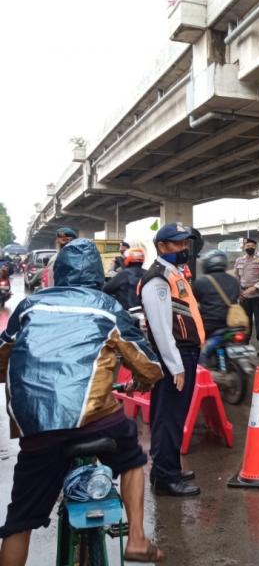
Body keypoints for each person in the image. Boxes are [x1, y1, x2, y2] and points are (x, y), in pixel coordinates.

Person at [0, 239, 165, 564]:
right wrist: (141, 381)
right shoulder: (106, 305)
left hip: (37, 430)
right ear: (96, 275)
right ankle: (136, 539)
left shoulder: (30, 306)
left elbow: (2, 355)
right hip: (95, 422)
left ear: (58, 273)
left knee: (19, 522)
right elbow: (150, 365)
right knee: (132, 458)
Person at [138, 223, 205, 496]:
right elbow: (161, 328)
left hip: (183, 353)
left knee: (172, 416)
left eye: (186, 243)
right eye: (179, 244)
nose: (185, 248)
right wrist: (175, 364)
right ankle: (166, 477)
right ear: (162, 246)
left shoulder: (173, 273)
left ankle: (167, 467)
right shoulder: (157, 279)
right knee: (169, 418)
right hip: (174, 356)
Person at [193, 250, 241, 365]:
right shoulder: (234, 281)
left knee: (199, 353)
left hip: (211, 326)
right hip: (233, 324)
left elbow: (194, 302)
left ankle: (201, 373)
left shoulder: (201, 282)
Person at [234, 237, 259, 355]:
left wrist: (255, 287)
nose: (250, 248)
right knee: (245, 321)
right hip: (244, 296)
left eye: (252, 246)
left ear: (256, 247)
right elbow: (236, 277)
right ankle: (245, 343)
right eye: (248, 246)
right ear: (244, 247)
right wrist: (238, 291)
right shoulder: (239, 260)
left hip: (257, 296)